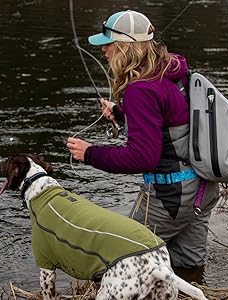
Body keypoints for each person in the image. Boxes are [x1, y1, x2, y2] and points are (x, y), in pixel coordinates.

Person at [65, 9, 219, 280]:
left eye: (108, 45)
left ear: (124, 48)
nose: (104, 52)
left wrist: (89, 153)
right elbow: (172, 122)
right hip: (202, 188)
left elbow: (142, 158)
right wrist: (123, 113)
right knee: (186, 266)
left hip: (170, 197)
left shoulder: (140, 89)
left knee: (120, 261)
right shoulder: (173, 70)